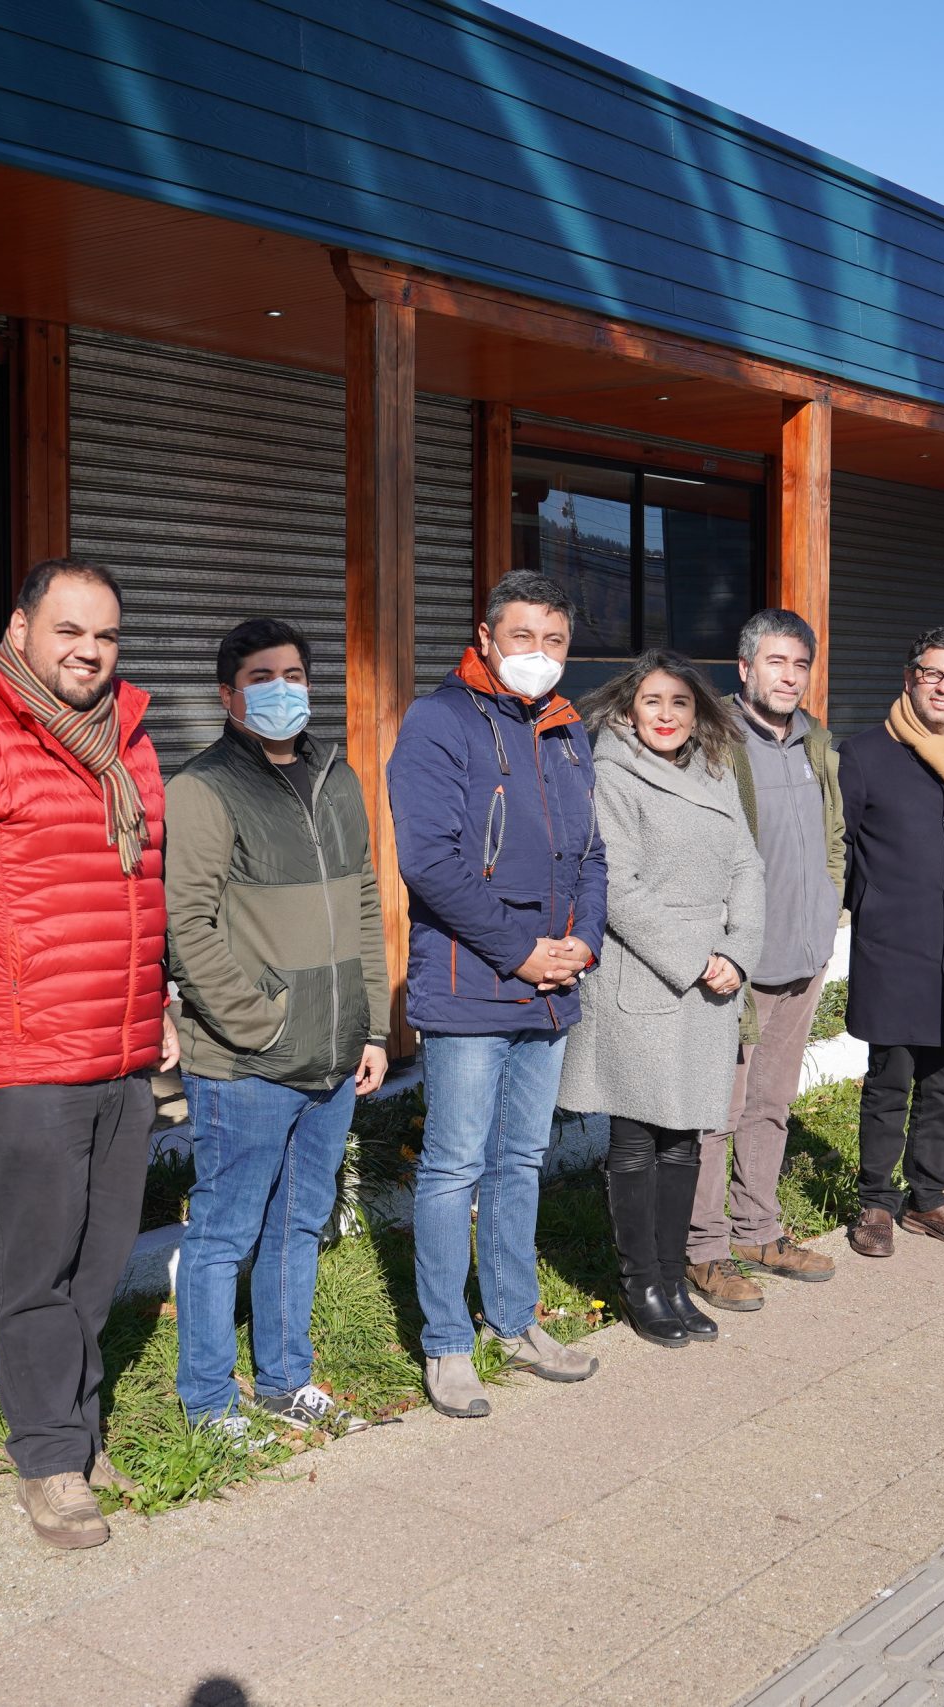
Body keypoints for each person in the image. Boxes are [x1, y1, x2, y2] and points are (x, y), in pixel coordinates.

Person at [0, 558, 176, 1552]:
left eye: (105, 635)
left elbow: (140, 887)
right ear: (20, 630)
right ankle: (50, 1458)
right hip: (20, 1057)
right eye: (68, 630)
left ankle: (74, 1424)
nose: (89, 652)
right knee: (33, 1268)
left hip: (120, 1049)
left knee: (98, 1263)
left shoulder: (128, 739)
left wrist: (158, 1002)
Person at [387, 568, 608, 1416]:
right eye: (522, 636)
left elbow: (592, 854)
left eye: (554, 640)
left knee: (521, 1159)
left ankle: (514, 1320)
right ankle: (447, 1342)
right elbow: (430, 860)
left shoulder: (565, 726)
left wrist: (583, 940)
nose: (538, 653)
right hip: (472, 983)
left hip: (551, 984)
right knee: (454, 1165)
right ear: (485, 638)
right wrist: (521, 952)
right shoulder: (439, 720)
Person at [163, 618, 389, 1438]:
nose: (281, 689)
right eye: (261, 677)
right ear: (228, 693)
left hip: (333, 1052)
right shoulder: (203, 788)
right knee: (225, 1231)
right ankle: (208, 1401)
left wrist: (372, 1025)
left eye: (293, 674)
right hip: (246, 1063)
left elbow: (364, 902)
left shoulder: (337, 776)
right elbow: (186, 926)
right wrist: (261, 1023)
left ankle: (285, 1381)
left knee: (298, 1223)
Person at [558, 651, 765, 1347]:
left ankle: (674, 1277)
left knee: (686, 1137)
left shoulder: (715, 769)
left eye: (680, 702)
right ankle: (641, 1282)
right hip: (645, 974)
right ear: (628, 710)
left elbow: (747, 864)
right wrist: (694, 958)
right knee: (637, 1136)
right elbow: (615, 884)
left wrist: (738, 950)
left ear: (698, 711)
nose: (668, 715)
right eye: (653, 701)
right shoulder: (612, 775)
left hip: (714, 977)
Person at [686, 609, 845, 1313]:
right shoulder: (714, 742)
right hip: (737, 965)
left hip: (804, 955)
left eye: (800, 664)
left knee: (772, 1104)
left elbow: (833, 835)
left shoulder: (816, 742)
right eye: (775, 662)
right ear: (745, 667)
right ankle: (703, 1248)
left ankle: (757, 1231)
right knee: (715, 1113)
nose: (789, 676)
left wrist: (829, 907)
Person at [838, 625, 944, 1256]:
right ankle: (876, 1202)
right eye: (932, 673)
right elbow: (844, 846)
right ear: (910, 677)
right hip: (893, 942)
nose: (943, 687)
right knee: (890, 1076)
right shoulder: (865, 754)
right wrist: (872, 905)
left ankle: (930, 1199)